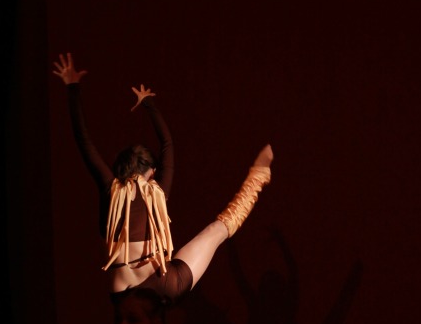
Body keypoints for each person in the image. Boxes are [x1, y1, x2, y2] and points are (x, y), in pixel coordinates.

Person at [52, 53, 273, 305]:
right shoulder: (155, 192)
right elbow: (167, 143)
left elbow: (84, 142)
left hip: (124, 295)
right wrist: (148, 104)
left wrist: (72, 87)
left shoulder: (111, 191)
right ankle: (259, 175)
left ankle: (259, 174)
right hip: (164, 284)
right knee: (218, 230)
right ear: (152, 171)